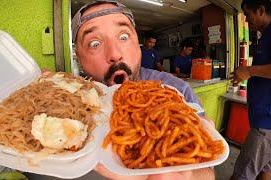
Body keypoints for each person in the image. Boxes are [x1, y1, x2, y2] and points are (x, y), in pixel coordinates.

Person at [71, 0, 214, 179]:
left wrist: (191, 174)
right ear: (79, 58)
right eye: (94, 43)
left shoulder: (177, 91)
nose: (114, 54)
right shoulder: (73, 104)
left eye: (123, 37)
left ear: (137, 44)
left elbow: (208, 171)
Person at [231, 0, 271, 180]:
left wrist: (249, 71)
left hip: (266, 124)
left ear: (261, 10)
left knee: (242, 175)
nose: (246, 20)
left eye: (248, 14)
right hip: (264, 121)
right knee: (266, 170)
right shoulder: (265, 35)